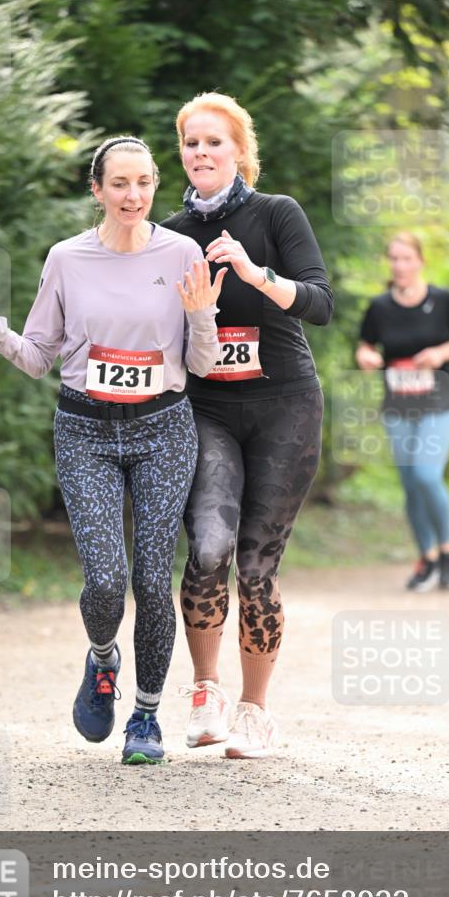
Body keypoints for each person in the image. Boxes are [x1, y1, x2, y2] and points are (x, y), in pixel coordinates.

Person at [0, 135, 226, 764]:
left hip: (164, 427)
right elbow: (39, 357)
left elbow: (201, 365)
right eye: (119, 184)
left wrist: (205, 316)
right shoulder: (67, 259)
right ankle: (103, 660)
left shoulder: (182, 251)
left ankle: (147, 718)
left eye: (144, 182)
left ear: (156, 184)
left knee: (153, 580)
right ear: (97, 189)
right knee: (106, 582)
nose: (133, 196)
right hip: (86, 431)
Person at [160, 92, 334, 759]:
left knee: (257, 566)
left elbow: (319, 303)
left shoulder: (275, 214)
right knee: (207, 549)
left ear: (239, 152)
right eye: (190, 142)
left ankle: (255, 711)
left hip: (285, 403)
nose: (200, 153)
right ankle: (206, 695)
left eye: (213, 142)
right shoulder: (170, 235)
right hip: (205, 408)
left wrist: (256, 275)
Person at [355, 231, 449, 591]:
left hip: (440, 400)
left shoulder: (443, 300)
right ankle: (426, 558)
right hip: (398, 404)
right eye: (394, 258)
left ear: (421, 261)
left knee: (426, 474)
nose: (400, 265)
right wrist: (366, 357)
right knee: (410, 485)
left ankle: (448, 554)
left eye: (407, 258)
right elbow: (365, 346)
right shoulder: (379, 307)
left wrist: (441, 354)